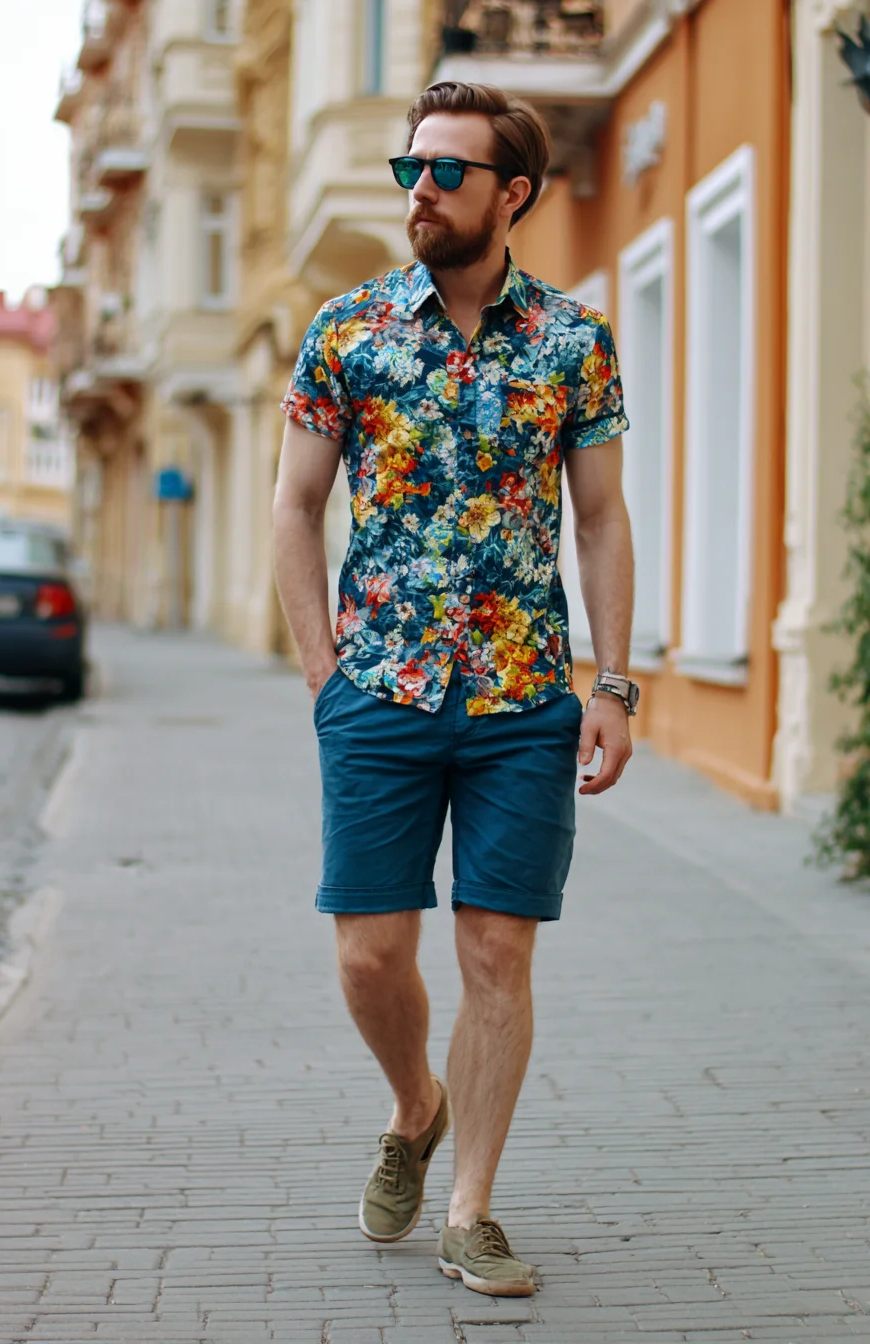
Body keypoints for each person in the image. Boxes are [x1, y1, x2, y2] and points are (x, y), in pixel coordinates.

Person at [273, 80, 637, 1297]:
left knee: (496, 955)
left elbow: (598, 520)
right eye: (408, 170)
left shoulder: (572, 342)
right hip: (377, 689)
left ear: (511, 193)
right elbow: (293, 507)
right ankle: (413, 1105)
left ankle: (471, 1207)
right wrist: (324, 675)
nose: (416, 192)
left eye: (443, 173)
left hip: (523, 696)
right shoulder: (349, 330)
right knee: (372, 956)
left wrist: (615, 684)